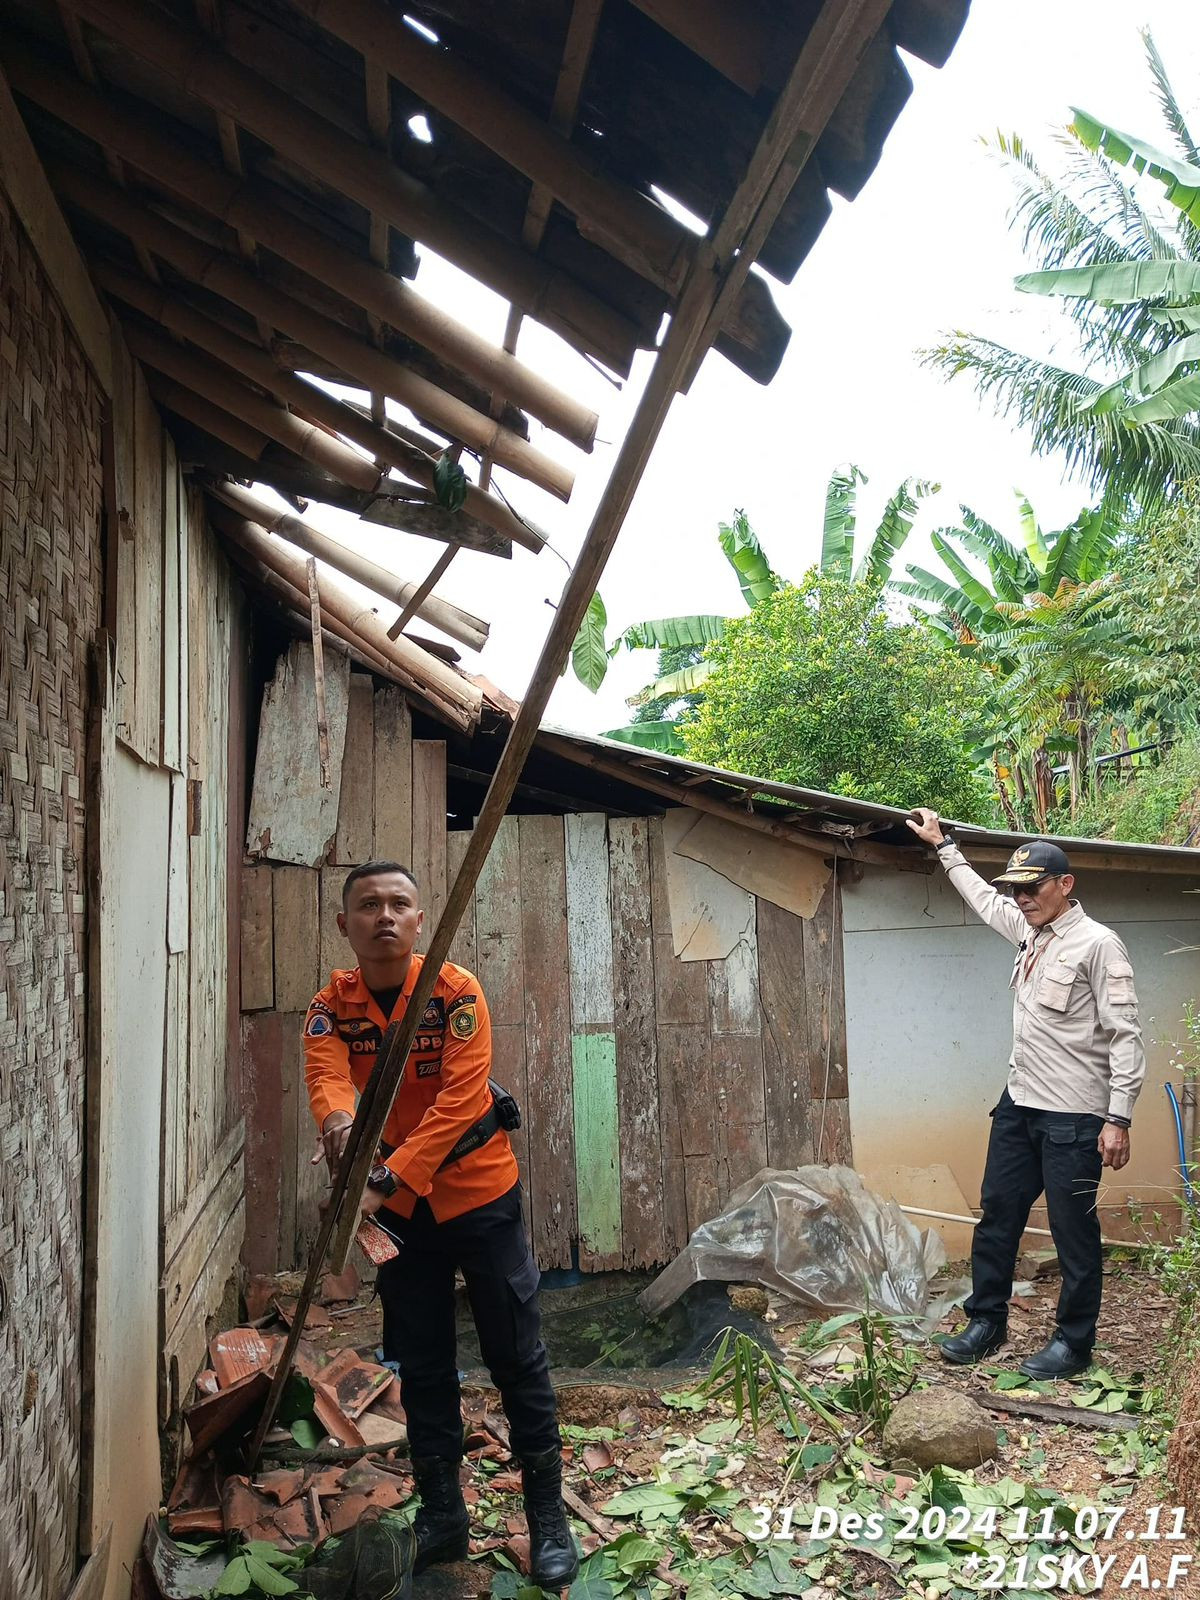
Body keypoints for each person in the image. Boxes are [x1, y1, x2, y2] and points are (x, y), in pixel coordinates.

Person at [302, 860, 578, 1588]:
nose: (385, 916)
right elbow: (328, 1078)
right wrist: (337, 1124)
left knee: (515, 1351)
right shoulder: (331, 1007)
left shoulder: (455, 993)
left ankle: (547, 1515)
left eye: (399, 904)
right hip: (400, 1218)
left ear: (421, 921)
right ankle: (443, 1514)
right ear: (346, 924)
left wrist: (383, 1177)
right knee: (421, 1362)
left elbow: (460, 1103)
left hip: (479, 1195)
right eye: (369, 905)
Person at [905, 810, 1145, 1379]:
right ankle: (986, 1321)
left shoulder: (1098, 945)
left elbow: (1125, 1035)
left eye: (1032, 887)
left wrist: (1119, 1117)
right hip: (1020, 1103)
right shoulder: (1028, 931)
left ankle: (1073, 1343)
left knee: (1072, 1232)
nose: (1021, 898)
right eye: (1015, 888)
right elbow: (984, 904)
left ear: (1065, 885)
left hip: (1075, 1115)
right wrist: (944, 846)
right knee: (998, 1217)